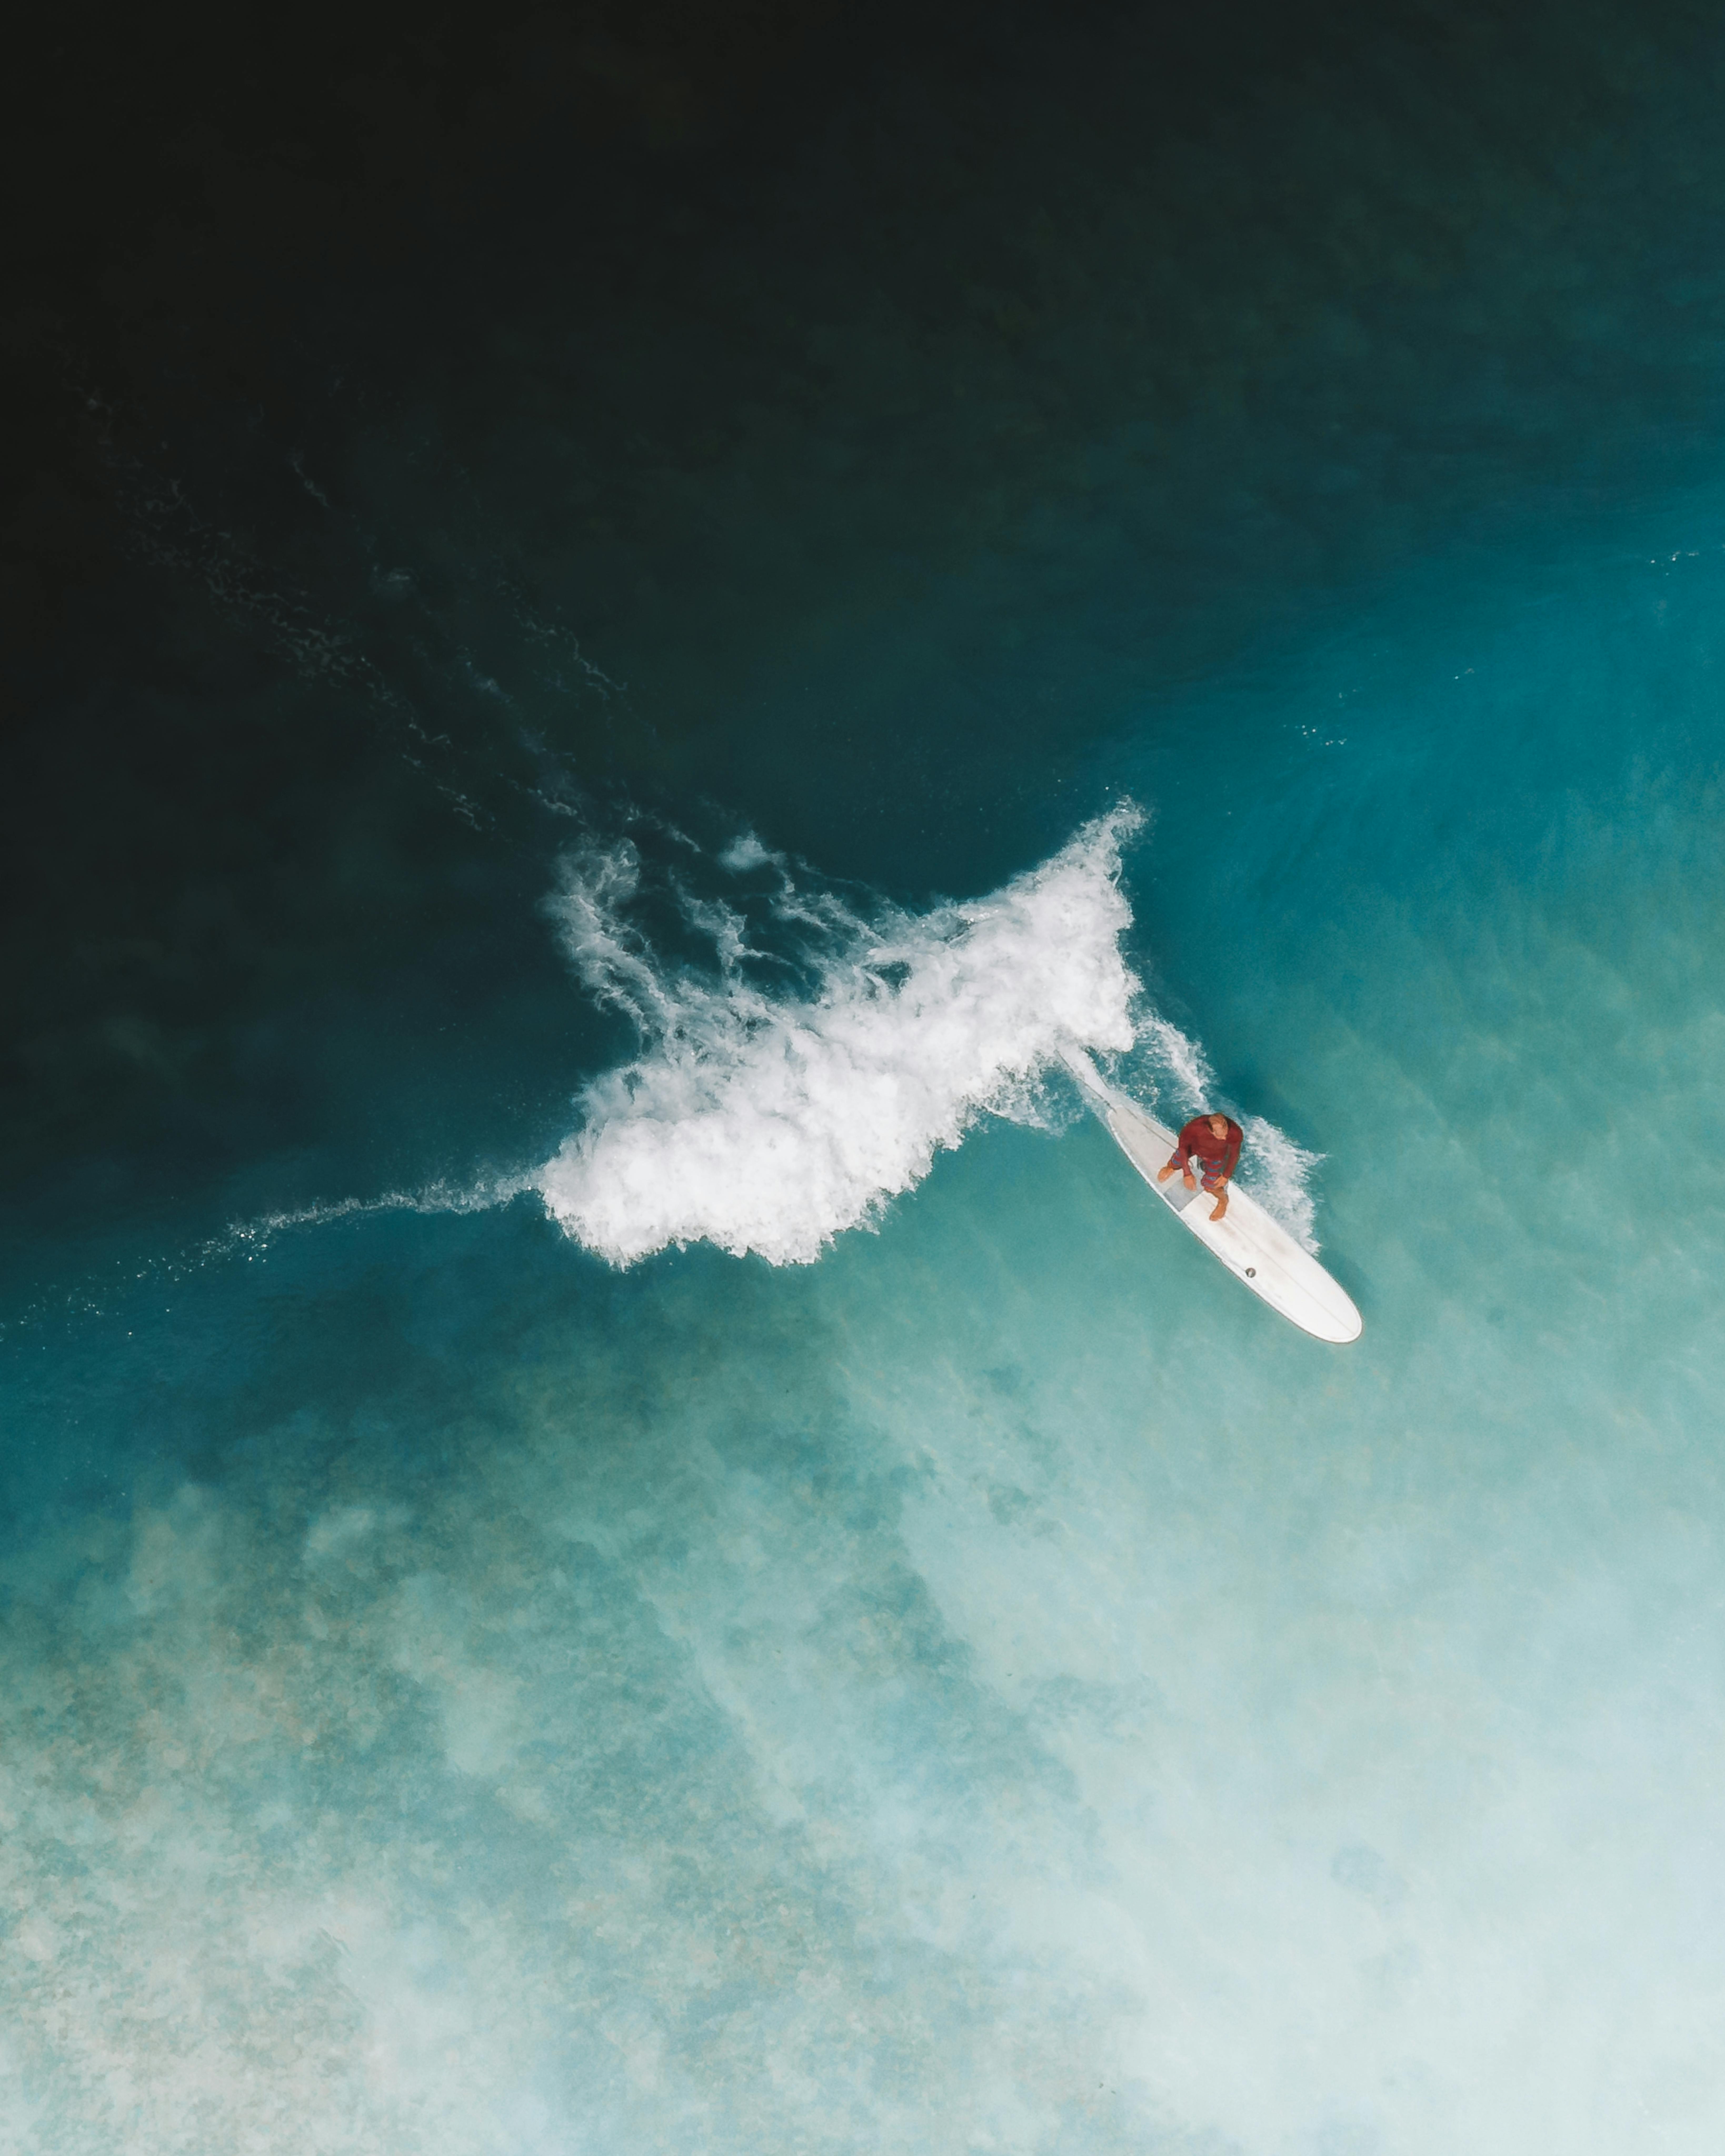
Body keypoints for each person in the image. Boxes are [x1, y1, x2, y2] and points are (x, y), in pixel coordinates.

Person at [1156, 1110, 1243, 1222]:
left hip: (1215, 1158)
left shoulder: (1235, 1132)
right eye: (1221, 1137)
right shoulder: (1194, 1128)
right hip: (1194, 1148)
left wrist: (1226, 1176)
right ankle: (1171, 1168)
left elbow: (1234, 1155)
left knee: (1211, 1186)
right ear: (1210, 1131)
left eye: (1226, 1135)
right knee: (1174, 1163)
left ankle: (1223, 1201)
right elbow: (1183, 1148)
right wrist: (1187, 1174)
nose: (1225, 1139)